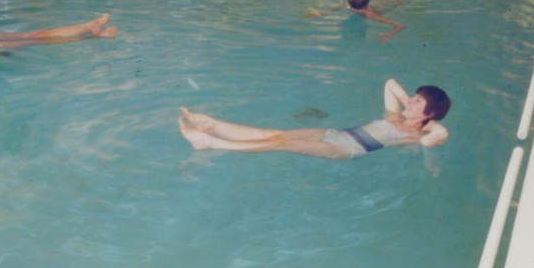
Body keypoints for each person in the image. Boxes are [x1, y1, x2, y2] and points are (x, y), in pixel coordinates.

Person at [178, 79, 450, 160]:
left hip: (347, 149)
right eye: (412, 98)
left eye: (417, 103)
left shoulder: (416, 136)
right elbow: (390, 83)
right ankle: (213, 125)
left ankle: (210, 143)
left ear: (429, 115)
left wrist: (428, 122)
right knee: (274, 133)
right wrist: (412, 107)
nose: (410, 102)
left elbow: (436, 138)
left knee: (281, 143)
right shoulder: (395, 115)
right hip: (333, 132)